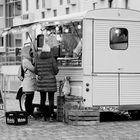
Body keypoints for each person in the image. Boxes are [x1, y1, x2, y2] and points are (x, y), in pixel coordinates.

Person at [35, 37, 59, 121]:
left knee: (42, 99)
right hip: (51, 82)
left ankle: (43, 115)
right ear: (49, 51)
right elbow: (56, 71)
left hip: (42, 82)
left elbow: (36, 71)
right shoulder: (52, 59)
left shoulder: (38, 60)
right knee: (51, 99)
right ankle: (51, 115)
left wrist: (41, 74)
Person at [21, 38, 36, 118]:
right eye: (30, 52)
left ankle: (30, 113)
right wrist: (34, 63)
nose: (31, 53)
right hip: (28, 82)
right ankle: (28, 113)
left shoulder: (28, 61)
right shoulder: (25, 61)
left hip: (30, 82)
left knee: (30, 99)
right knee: (29, 99)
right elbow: (33, 69)